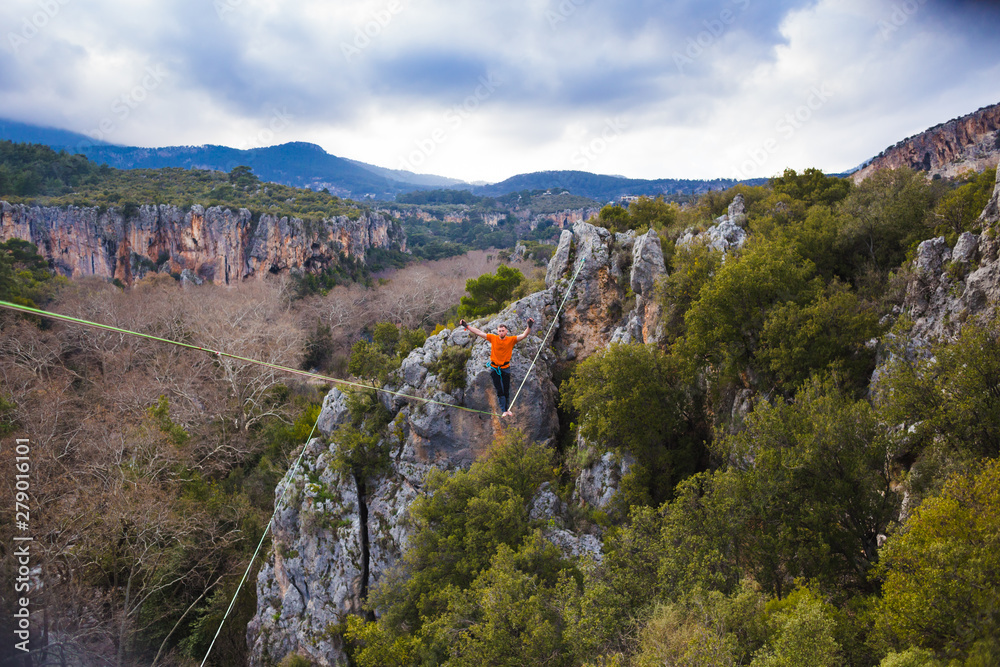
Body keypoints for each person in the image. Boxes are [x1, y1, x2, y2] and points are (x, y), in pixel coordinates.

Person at [460, 317, 533, 417]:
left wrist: (529, 326)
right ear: (497, 332)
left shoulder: (511, 340)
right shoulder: (493, 338)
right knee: (499, 390)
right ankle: (504, 410)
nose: (501, 332)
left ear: (506, 331)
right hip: (494, 368)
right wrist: (467, 326)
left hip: (505, 367)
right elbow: (479, 333)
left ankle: (507, 409)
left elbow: (524, 335)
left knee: (506, 389)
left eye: (503, 331)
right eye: (500, 331)